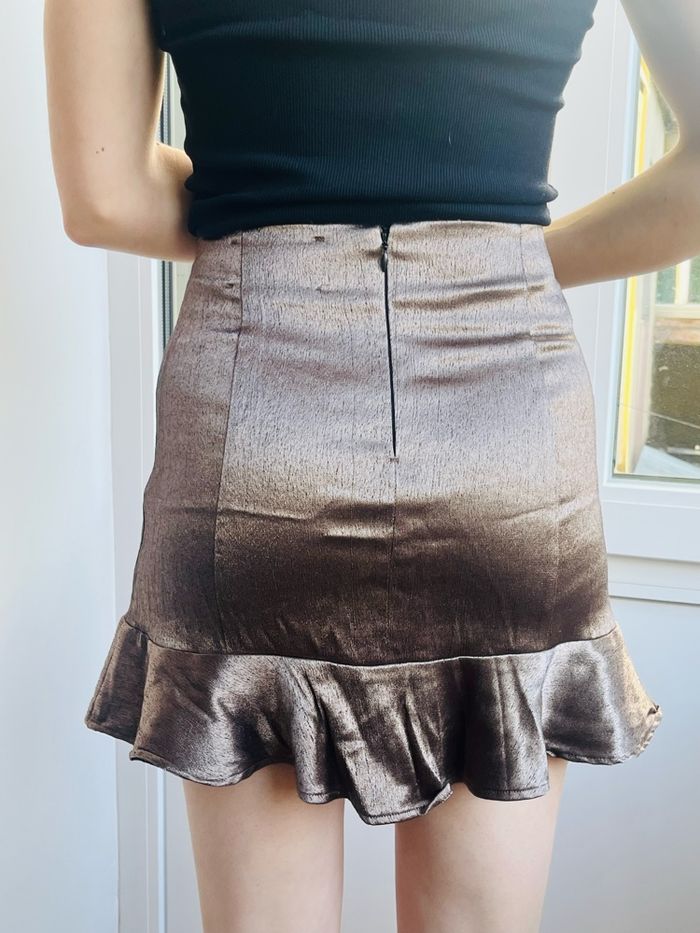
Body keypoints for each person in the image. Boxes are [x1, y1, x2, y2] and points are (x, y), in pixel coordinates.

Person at [45, 1, 696, 931]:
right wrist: (509, 259)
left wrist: (263, 198)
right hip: (504, 420)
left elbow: (105, 196)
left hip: (254, 416)